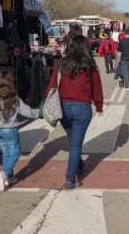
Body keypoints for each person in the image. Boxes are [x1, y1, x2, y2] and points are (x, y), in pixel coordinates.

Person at [46, 35, 104, 190]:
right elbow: (97, 88)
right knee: (76, 144)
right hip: (82, 108)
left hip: (63, 108)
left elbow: (52, 86)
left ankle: (78, 166)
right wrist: (99, 106)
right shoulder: (90, 65)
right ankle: (70, 179)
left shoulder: (61, 63)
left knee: (73, 141)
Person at [0, 71, 39, 191]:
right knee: (15, 153)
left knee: (6, 153)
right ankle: (4, 173)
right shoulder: (13, 98)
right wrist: (41, 112)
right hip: (10, 130)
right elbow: (27, 112)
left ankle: (9, 177)